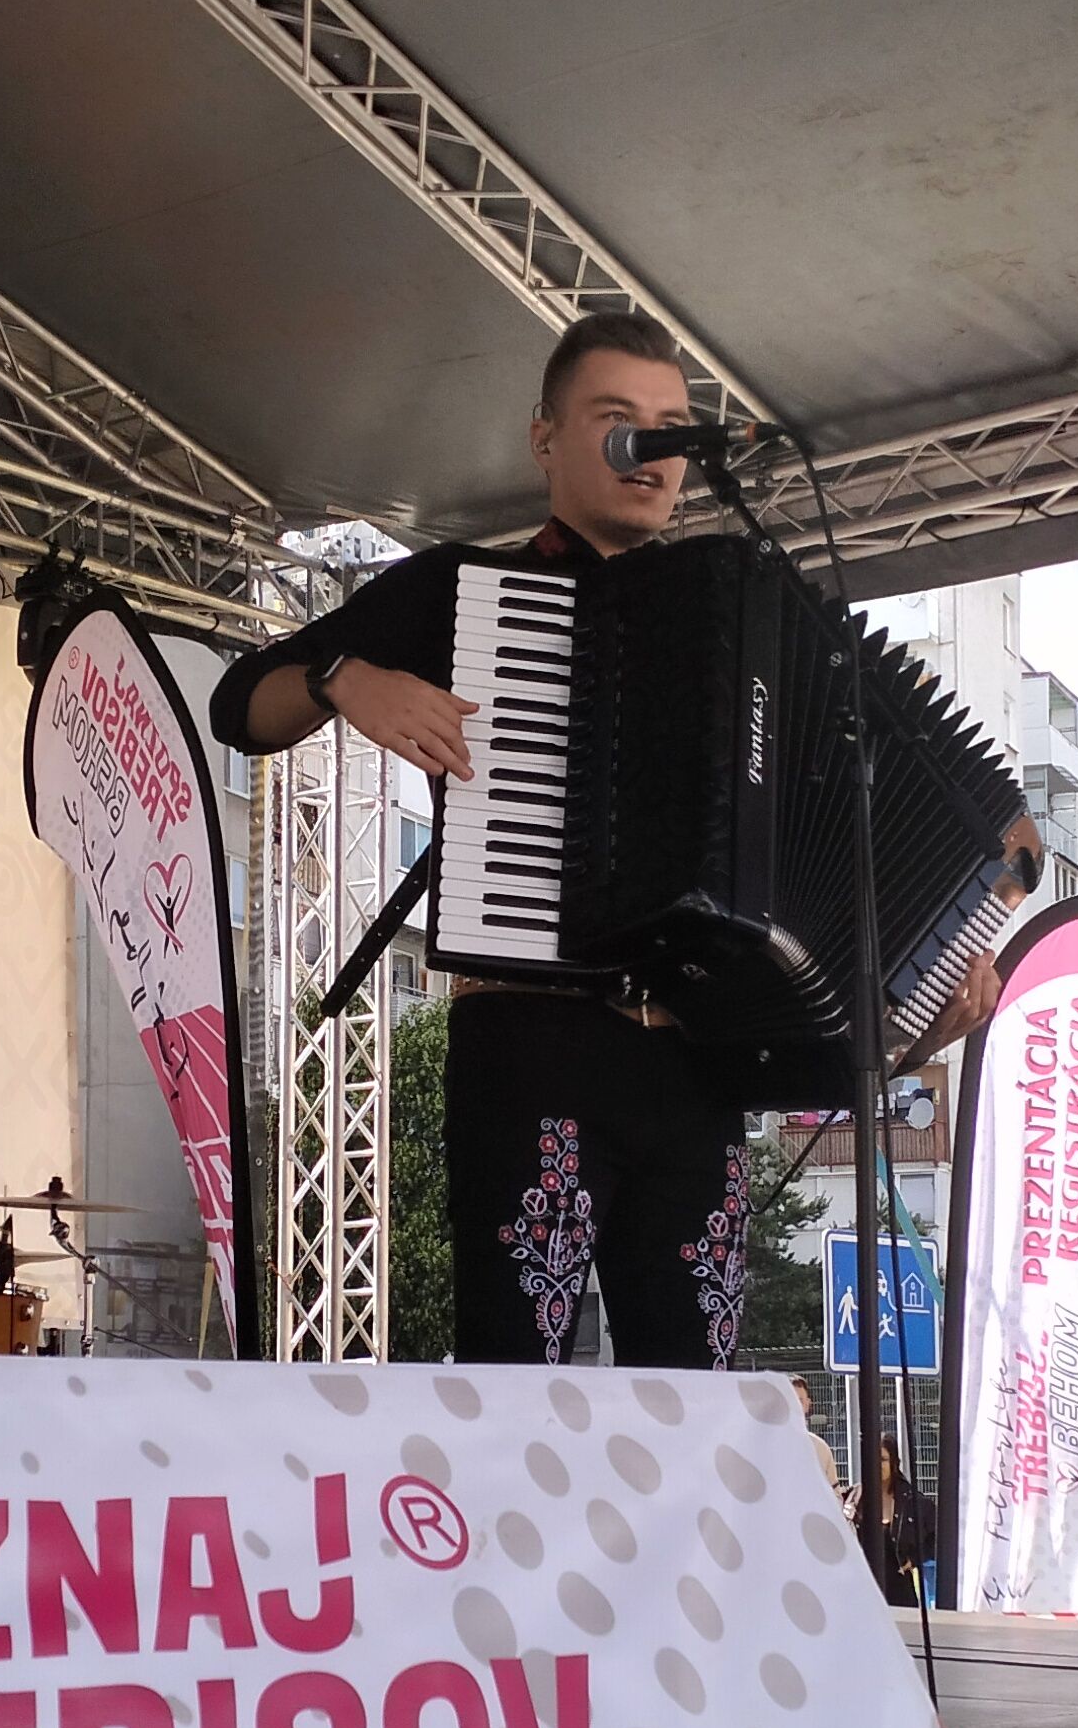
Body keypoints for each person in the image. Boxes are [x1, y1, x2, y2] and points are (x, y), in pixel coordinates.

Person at [210, 311, 1005, 1370]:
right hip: (534, 1041)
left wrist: (908, 1019)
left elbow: (810, 904)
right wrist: (342, 677)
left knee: (696, 1397)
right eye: (617, 419)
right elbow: (237, 703)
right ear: (544, 437)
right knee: (516, 1377)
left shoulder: (747, 628)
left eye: (671, 426)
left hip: (697, 1067)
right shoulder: (461, 591)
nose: (651, 449)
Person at [861, 1438, 937, 1607]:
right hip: (864, 1588)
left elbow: (938, 1537)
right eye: (872, 1459)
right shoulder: (857, 1497)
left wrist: (914, 1559)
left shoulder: (911, 1500)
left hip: (899, 1589)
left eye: (882, 1459)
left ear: (894, 1462)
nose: (877, 1465)